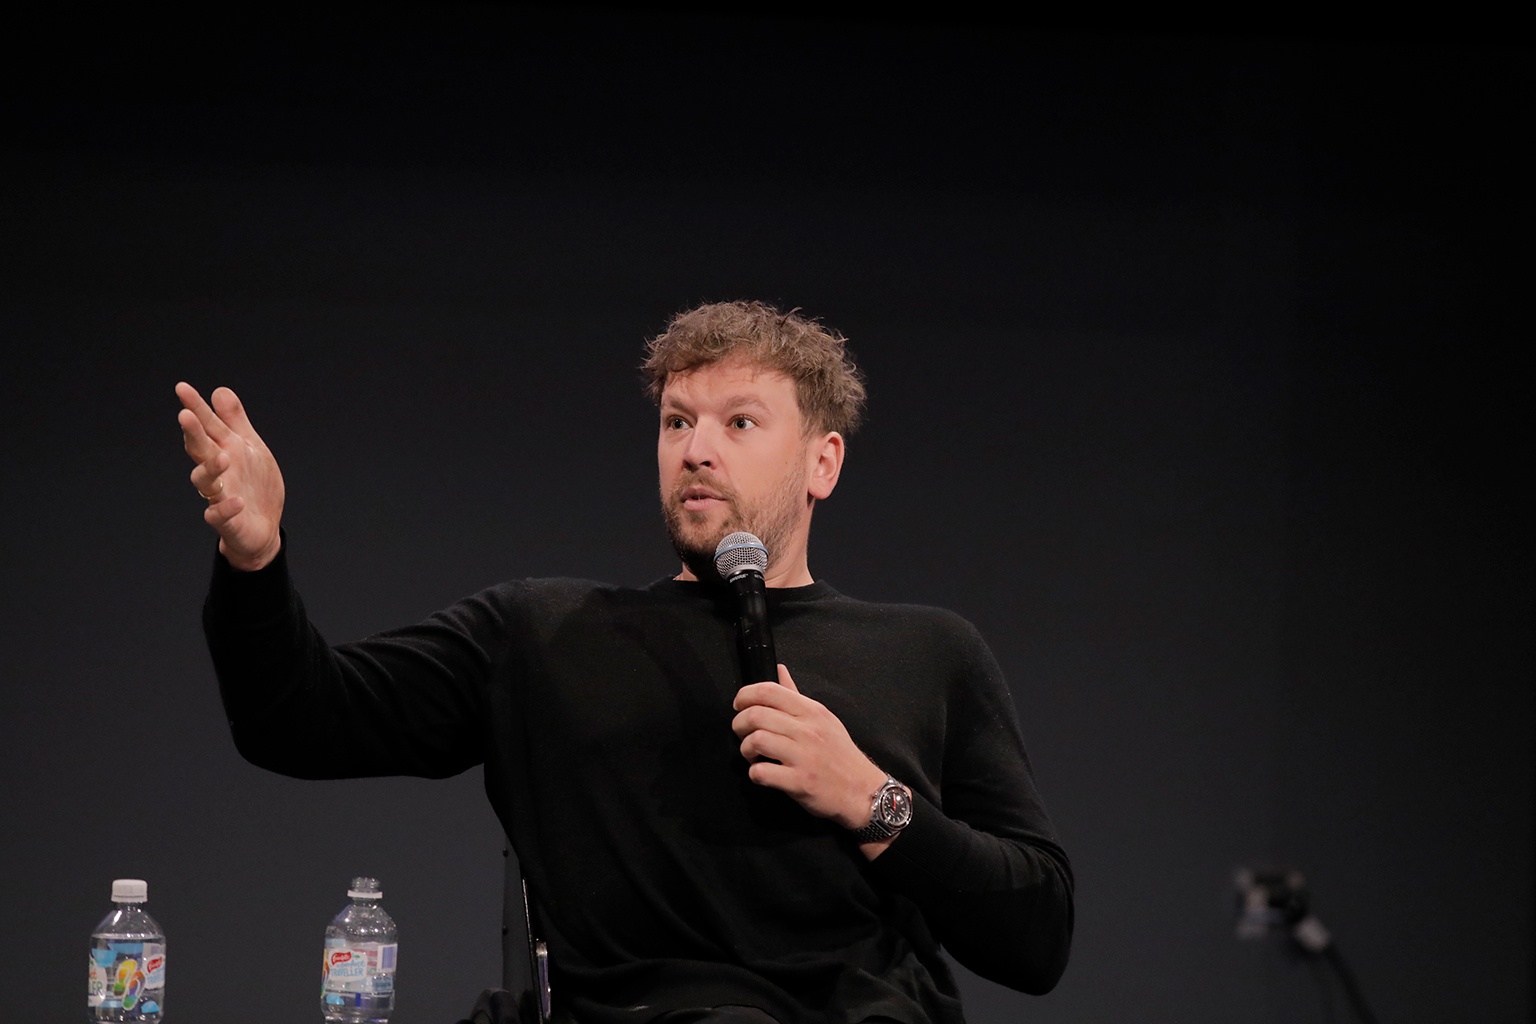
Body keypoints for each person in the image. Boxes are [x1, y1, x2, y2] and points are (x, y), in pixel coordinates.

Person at [177, 301, 1073, 1024]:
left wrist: (871, 800)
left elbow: (1037, 936)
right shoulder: (545, 635)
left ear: (822, 462)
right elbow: (295, 719)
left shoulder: (928, 653)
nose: (696, 449)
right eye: (676, 420)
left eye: (740, 421)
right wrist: (255, 563)